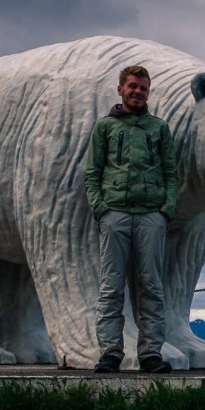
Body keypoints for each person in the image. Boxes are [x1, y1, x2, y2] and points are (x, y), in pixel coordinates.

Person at [85, 65, 178, 373]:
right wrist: (101, 211)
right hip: (115, 216)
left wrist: (165, 211)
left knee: (151, 286)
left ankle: (151, 354)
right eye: (133, 86)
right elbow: (92, 173)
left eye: (143, 88)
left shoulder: (159, 128)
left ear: (148, 93)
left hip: (151, 215)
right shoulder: (105, 127)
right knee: (111, 287)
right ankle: (111, 353)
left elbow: (170, 173)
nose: (138, 91)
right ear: (120, 89)